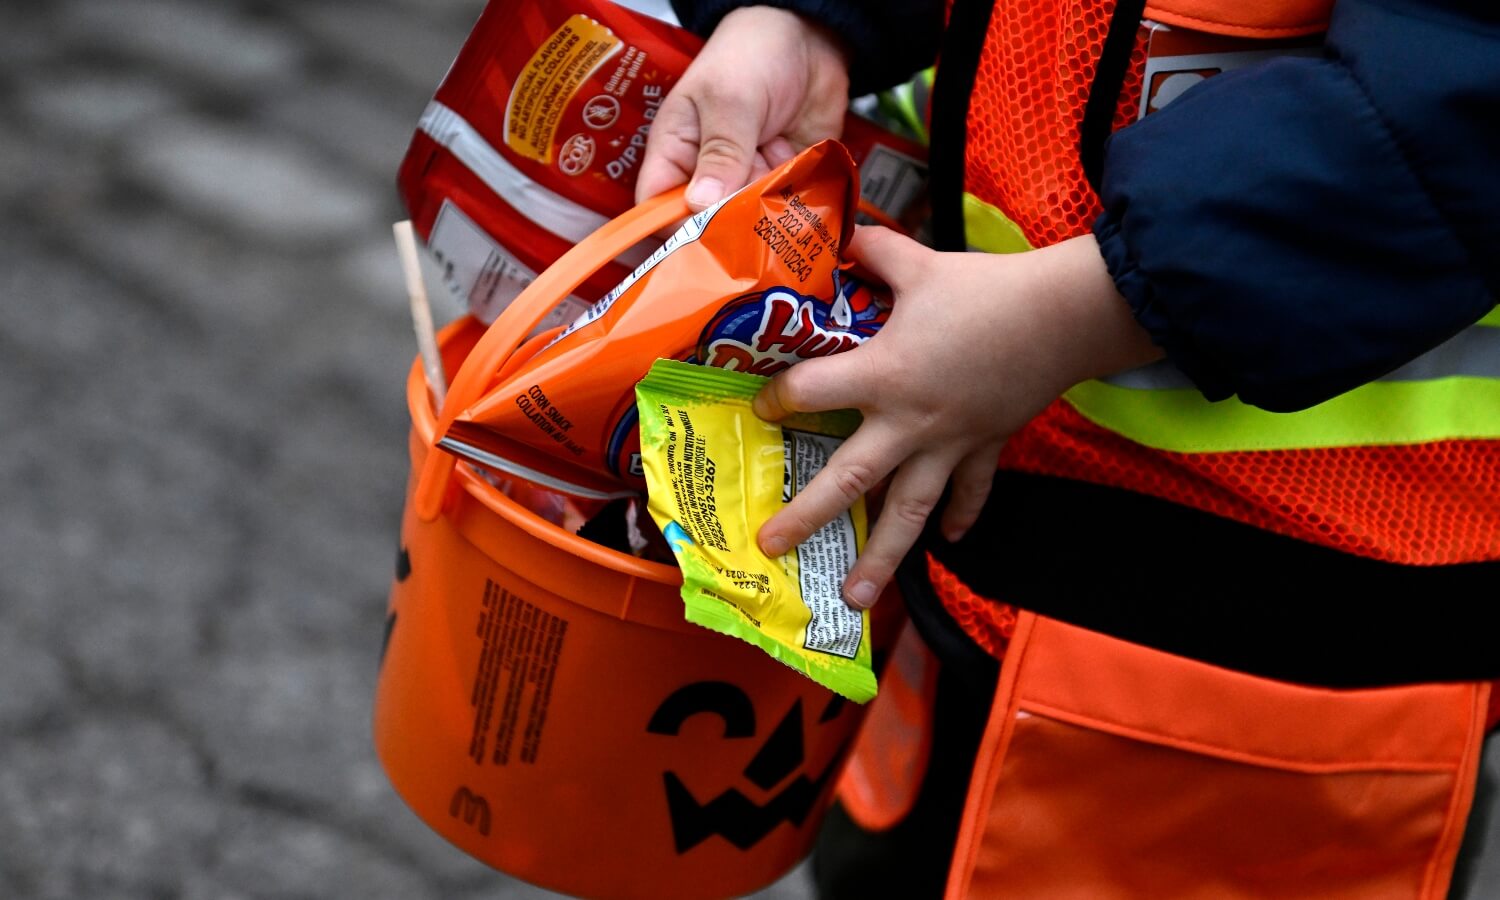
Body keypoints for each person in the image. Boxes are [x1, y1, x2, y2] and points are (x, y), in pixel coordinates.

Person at [639, 1, 1500, 897]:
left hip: (1286, 657)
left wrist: (1072, 315)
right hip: (977, 545)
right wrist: (814, 18)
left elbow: (1461, 108)